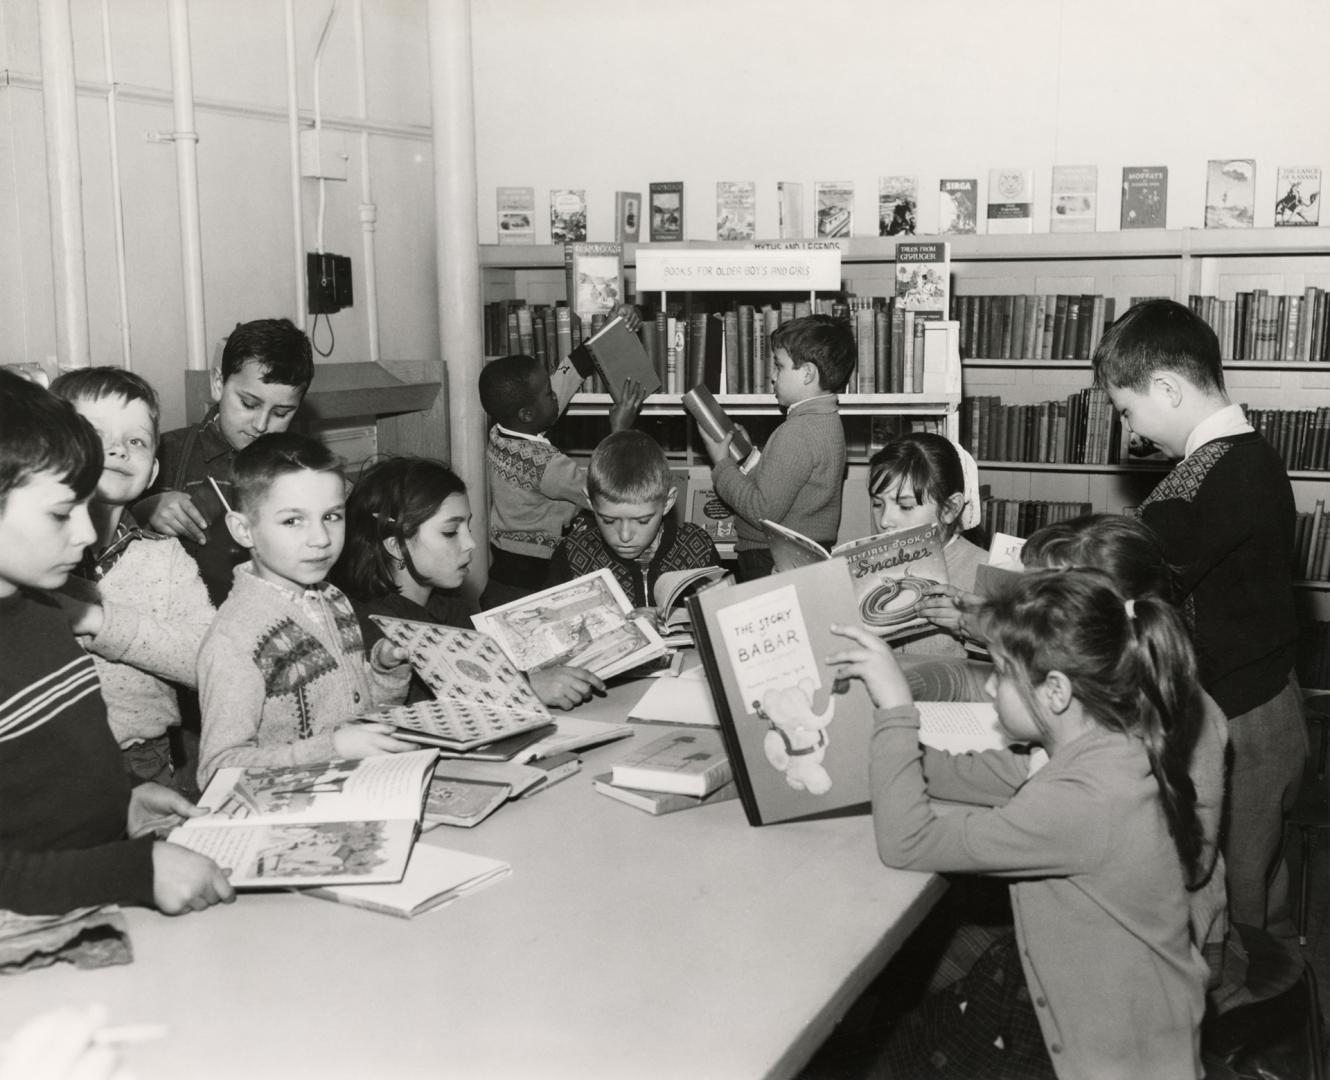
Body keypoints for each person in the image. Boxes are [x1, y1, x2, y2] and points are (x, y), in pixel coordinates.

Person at [830, 568, 1209, 1079]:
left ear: (1055, 691)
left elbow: (907, 842)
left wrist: (898, 708)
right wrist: (878, 741)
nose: (990, 686)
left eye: (1003, 672)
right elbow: (957, 772)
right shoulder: (1103, 746)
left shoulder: (1082, 801)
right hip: (1097, 1004)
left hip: (1105, 1054)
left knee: (885, 1052)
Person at [1093, 298, 1305, 940]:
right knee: (1259, 893)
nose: (1132, 431)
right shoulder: (1251, 454)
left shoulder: (1203, 481)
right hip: (1267, 702)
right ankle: (1278, 1016)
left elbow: (1119, 569)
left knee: (1235, 911)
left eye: (1128, 410)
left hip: (1244, 723)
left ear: (1167, 388)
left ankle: (1256, 1028)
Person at [0, 369, 232, 917]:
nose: (83, 533)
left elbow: (50, 768)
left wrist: (120, 797)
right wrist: (131, 871)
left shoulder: (41, 609)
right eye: (62, 512)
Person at [196, 432, 412, 787]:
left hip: (355, 793)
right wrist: (331, 749)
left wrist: (385, 673)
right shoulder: (236, 638)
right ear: (243, 530)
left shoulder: (333, 601)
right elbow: (217, 771)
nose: (321, 538)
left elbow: (364, 717)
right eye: (293, 521)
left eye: (331, 516)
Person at [48, 367, 214, 789]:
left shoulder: (167, 558)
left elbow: (208, 660)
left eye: (136, 440)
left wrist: (98, 621)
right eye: (95, 433)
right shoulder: (31, 554)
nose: (119, 449)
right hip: (46, 759)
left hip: (144, 756)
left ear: (154, 471)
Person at [333, 455, 604, 710]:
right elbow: (426, 705)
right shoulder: (370, 628)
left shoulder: (454, 611)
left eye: (468, 528)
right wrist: (525, 688)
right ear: (395, 545)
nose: (471, 543)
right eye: (450, 532)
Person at [134, 317, 314, 606]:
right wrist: (145, 509)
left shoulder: (303, 472)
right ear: (218, 384)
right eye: (249, 404)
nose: (261, 424)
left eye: (281, 413)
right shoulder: (164, 453)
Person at [479, 308, 646, 609]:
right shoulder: (547, 466)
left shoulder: (501, 433)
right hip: (536, 580)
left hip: (503, 572)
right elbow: (602, 491)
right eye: (547, 394)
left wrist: (603, 336)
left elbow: (564, 378)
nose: (555, 394)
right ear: (528, 414)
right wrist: (619, 430)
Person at [699, 314, 854, 582]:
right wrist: (748, 458)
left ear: (807, 373)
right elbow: (790, 485)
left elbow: (761, 510)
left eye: (779, 367)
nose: (772, 376)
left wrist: (722, 464)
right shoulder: (827, 422)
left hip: (770, 559)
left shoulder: (796, 432)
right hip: (803, 556)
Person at [549, 430, 722, 608]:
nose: (625, 536)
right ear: (590, 502)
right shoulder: (572, 554)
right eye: (608, 520)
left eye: (642, 521)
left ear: (668, 502)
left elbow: (720, 623)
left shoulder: (696, 547)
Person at [867, 430, 986, 656]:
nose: (884, 521)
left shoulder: (986, 571)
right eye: (877, 503)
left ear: (950, 509)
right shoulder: (868, 564)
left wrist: (975, 627)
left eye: (906, 506)